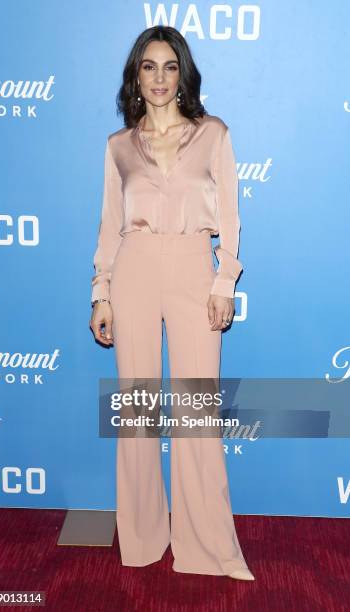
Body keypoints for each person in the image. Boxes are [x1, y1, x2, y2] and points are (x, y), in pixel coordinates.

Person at [89, 25, 255, 581]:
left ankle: (205, 546)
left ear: (182, 73)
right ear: (135, 77)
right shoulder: (118, 148)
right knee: (135, 412)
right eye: (147, 67)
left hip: (191, 267)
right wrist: (101, 294)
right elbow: (110, 227)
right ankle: (140, 538)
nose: (158, 78)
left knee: (195, 413)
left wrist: (223, 283)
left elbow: (229, 221)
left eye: (168, 66)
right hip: (133, 269)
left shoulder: (213, 135)